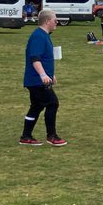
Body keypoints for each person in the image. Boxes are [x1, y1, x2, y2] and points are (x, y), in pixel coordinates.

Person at [19, 9, 67, 147]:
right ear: (47, 21)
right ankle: (51, 135)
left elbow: (45, 58)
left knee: (36, 106)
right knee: (53, 103)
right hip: (36, 80)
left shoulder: (44, 35)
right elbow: (35, 58)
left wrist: (51, 74)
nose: (56, 22)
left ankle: (26, 136)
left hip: (38, 79)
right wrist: (43, 75)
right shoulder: (39, 36)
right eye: (55, 20)